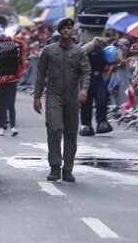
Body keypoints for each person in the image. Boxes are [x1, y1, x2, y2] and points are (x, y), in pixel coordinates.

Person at [33, 17, 90, 183]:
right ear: (59, 31)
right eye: (64, 28)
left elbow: (86, 72)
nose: (67, 30)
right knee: (54, 128)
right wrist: (37, 96)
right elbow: (41, 74)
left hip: (72, 97)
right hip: (53, 96)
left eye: (69, 28)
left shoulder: (79, 52)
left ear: (72, 31)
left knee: (71, 133)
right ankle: (55, 166)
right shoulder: (49, 51)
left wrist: (84, 89)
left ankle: (68, 169)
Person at [80, 36, 114, 136]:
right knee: (86, 102)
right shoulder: (84, 47)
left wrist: (109, 47)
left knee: (102, 100)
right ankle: (86, 124)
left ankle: (102, 122)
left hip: (99, 77)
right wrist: (92, 43)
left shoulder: (103, 48)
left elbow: (113, 58)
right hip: (86, 77)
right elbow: (79, 54)